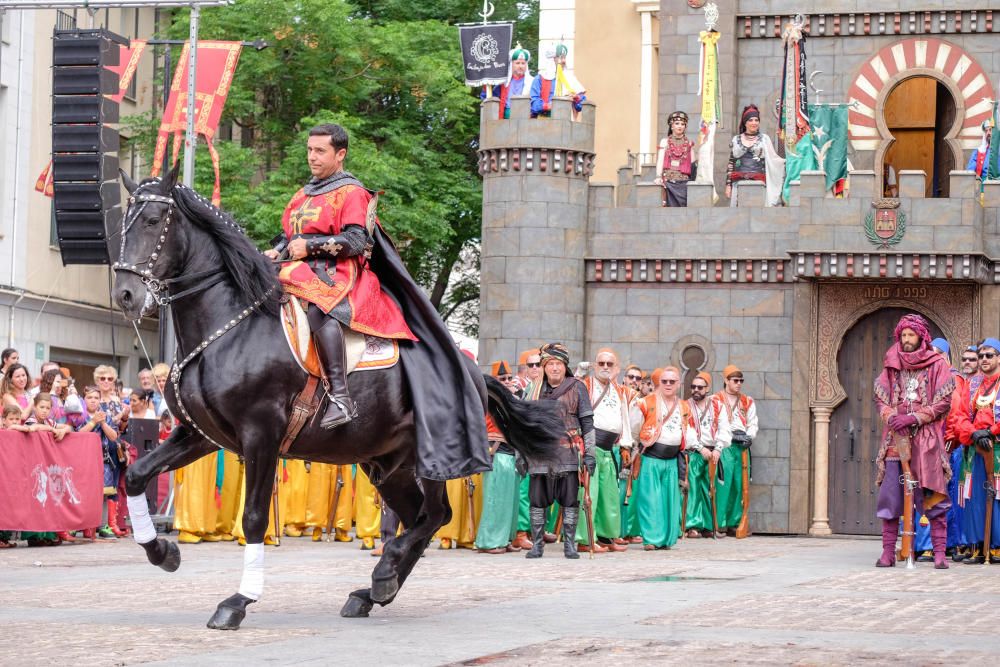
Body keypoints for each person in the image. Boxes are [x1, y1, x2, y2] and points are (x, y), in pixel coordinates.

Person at [265, 123, 418, 429]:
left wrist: (308, 246)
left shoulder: (352, 192)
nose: (312, 157)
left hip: (339, 272)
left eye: (320, 151)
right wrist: (277, 249)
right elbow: (290, 234)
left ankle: (340, 397)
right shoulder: (303, 193)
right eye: (310, 150)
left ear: (341, 154)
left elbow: (357, 241)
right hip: (296, 267)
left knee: (321, 309)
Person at [873, 314, 955, 569]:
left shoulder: (937, 363)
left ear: (921, 336)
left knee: (931, 492)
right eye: (903, 335)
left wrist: (914, 418)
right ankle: (888, 552)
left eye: (911, 335)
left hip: (926, 438)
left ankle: (939, 553)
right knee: (891, 496)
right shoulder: (891, 361)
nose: (906, 340)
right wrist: (891, 417)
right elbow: (881, 398)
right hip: (895, 438)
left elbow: (944, 401)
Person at [522, 343, 595, 559]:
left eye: (559, 364)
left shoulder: (577, 387)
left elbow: (588, 422)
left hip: (568, 452)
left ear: (565, 366)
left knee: (570, 500)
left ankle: (569, 544)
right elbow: (523, 423)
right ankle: (537, 544)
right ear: (544, 366)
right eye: (550, 364)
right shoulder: (533, 389)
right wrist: (520, 454)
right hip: (540, 453)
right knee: (537, 500)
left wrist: (590, 453)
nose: (555, 368)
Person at [629, 367, 697, 551]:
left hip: (672, 460)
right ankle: (651, 539)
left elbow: (688, 430)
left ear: (679, 384)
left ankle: (667, 539)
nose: (668, 384)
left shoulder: (684, 406)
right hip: (651, 458)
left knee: (670, 500)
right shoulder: (645, 402)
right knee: (650, 500)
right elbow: (634, 427)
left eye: (672, 382)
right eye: (664, 381)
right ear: (659, 382)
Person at [578, 348, 635, 553]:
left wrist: (626, 444)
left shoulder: (619, 390)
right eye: (601, 363)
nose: (604, 367)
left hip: (610, 448)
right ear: (595, 365)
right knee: (589, 493)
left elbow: (625, 419)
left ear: (616, 368)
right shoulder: (585, 385)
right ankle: (586, 539)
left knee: (608, 496)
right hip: (590, 446)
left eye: (609, 364)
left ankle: (605, 536)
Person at [952, 337, 1000, 565]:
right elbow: (959, 416)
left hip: (996, 448)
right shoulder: (971, 386)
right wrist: (973, 433)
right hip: (974, 448)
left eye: (989, 355)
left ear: (998, 358)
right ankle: (977, 546)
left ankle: (997, 546)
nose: (983, 360)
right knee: (974, 498)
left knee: (997, 496)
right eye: (981, 356)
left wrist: (991, 432)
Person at [475, 361, 523, 554]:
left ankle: (505, 538)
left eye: (509, 378)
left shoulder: (512, 396)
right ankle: (489, 541)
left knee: (511, 498)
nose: (507, 381)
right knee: (495, 497)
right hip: (495, 449)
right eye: (502, 378)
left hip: (511, 449)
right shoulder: (488, 395)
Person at [709, 365, 758, 537]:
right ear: (726, 380)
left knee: (740, 485)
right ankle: (719, 523)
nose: (738, 384)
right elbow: (713, 423)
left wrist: (749, 437)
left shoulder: (747, 401)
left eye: (741, 381)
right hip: (725, 445)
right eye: (735, 381)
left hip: (742, 445)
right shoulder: (714, 400)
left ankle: (736, 523)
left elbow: (752, 422)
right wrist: (728, 437)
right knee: (724, 483)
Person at [945, 344, 979, 561]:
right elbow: (956, 416)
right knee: (960, 496)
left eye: (972, 359)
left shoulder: (985, 386)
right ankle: (960, 542)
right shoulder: (959, 383)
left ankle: (973, 543)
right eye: (964, 359)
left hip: (980, 447)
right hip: (961, 447)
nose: (967, 362)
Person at [79, 385, 122, 540]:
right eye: (89, 397)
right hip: (83, 459)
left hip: (103, 459)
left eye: (96, 398)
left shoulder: (106, 416)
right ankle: (83, 525)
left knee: (104, 493)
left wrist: (103, 423)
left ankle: (103, 525)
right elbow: (77, 435)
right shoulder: (80, 415)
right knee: (83, 492)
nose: (93, 401)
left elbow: (113, 436)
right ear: (83, 399)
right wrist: (92, 422)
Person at [726, 104, 783, 207]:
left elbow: (774, 160)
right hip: (738, 184)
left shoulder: (764, 139)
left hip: (759, 183)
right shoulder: (736, 139)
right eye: (751, 120)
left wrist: (788, 161)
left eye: (756, 120)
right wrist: (728, 185)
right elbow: (731, 163)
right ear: (745, 122)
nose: (754, 123)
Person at [685, 372, 718, 538]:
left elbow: (724, 427)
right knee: (693, 488)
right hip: (695, 453)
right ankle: (692, 525)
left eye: (700, 387)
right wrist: (700, 448)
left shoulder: (717, 405)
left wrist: (718, 449)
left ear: (708, 388)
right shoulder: (686, 406)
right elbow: (686, 430)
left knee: (710, 489)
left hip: (713, 452)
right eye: (693, 387)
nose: (696, 390)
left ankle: (708, 525)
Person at [530, 43, 586, 119]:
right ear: (551, 60)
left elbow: (581, 105)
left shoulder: (571, 79)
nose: (563, 61)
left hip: (567, 122)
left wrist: (576, 98)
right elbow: (534, 105)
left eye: (564, 58)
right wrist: (553, 106)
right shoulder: (539, 79)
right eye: (560, 58)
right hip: (544, 123)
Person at [655, 111, 697, 207]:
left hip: (684, 184)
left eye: (683, 124)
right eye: (677, 123)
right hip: (668, 183)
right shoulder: (664, 142)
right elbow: (660, 160)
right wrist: (658, 176)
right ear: (671, 126)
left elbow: (693, 165)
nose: (680, 126)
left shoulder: (689, 143)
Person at [484, 43, 535, 119]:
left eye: (523, 63)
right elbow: (491, 96)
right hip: (505, 119)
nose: (520, 66)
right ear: (512, 65)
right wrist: (486, 85)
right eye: (517, 63)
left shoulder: (532, 82)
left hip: (525, 118)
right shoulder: (504, 82)